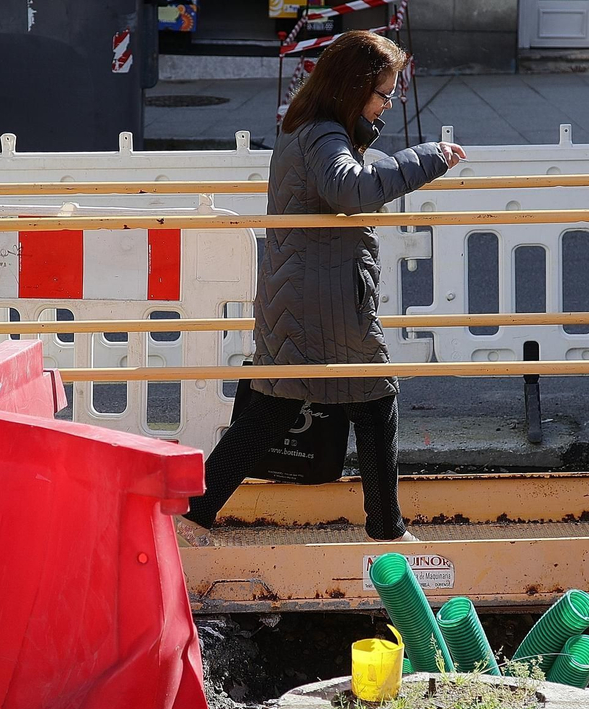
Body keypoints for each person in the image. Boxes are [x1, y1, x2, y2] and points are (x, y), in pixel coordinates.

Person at [178, 30, 466, 544]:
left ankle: (196, 513)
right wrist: (431, 157)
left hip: (303, 293)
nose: (387, 105)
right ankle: (387, 530)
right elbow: (351, 190)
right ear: (354, 88)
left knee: (274, 406)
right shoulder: (324, 135)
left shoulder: (306, 126)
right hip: (326, 300)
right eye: (383, 94)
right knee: (375, 400)